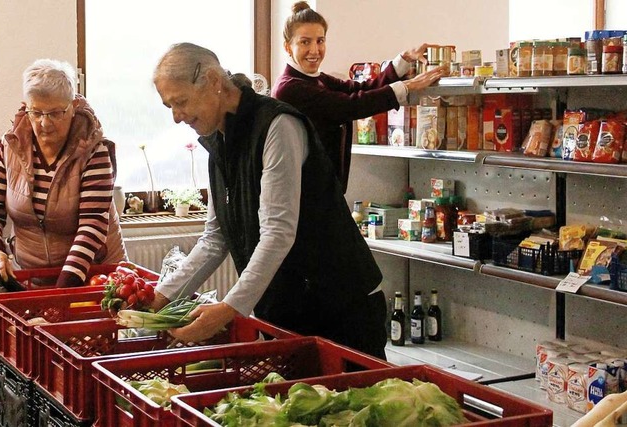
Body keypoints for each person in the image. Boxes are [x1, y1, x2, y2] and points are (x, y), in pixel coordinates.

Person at [152, 42, 388, 359]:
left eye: (180, 102)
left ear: (212, 81)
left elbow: (278, 233)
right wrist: (160, 297)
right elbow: (215, 237)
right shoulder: (219, 142)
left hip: (336, 309)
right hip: (286, 311)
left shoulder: (278, 126)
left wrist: (229, 308)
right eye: (169, 107)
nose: (177, 117)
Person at [272, 1, 448, 192]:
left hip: (326, 192)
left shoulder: (316, 79)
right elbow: (349, 106)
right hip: (305, 196)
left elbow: (361, 88)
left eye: (320, 41)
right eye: (305, 42)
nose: (315, 50)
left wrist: (403, 61)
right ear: (288, 47)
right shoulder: (289, 87)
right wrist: (407, 86)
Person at [0, 59, 126, 287]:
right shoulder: (8, 147)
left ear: (72, 107)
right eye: (37, 112)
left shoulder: (93, 150)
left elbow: (91, 225)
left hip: (93, 274)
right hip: (34, 274)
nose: (44, 123)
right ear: (26, 107)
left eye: (55, 113)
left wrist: (62, 292)